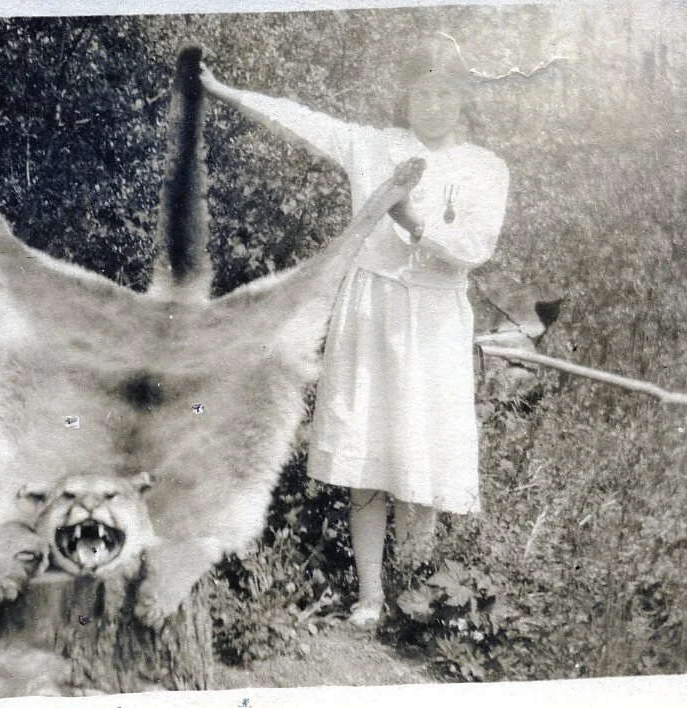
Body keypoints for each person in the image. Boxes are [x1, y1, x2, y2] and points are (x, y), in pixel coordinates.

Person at [201, 34, 509, 629]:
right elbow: (300, 120)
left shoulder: (484, 167)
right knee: (368, 455)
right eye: (423, 91)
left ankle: (416, 599)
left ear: (463, 99)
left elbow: (475, 247)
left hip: (436, 320)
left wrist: (413, 222)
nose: (433, 105)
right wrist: (223, 90)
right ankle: (370, 598)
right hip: (371, 312)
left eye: (446, 92)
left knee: (419, 457)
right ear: (408, 96)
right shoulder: (376, 147)